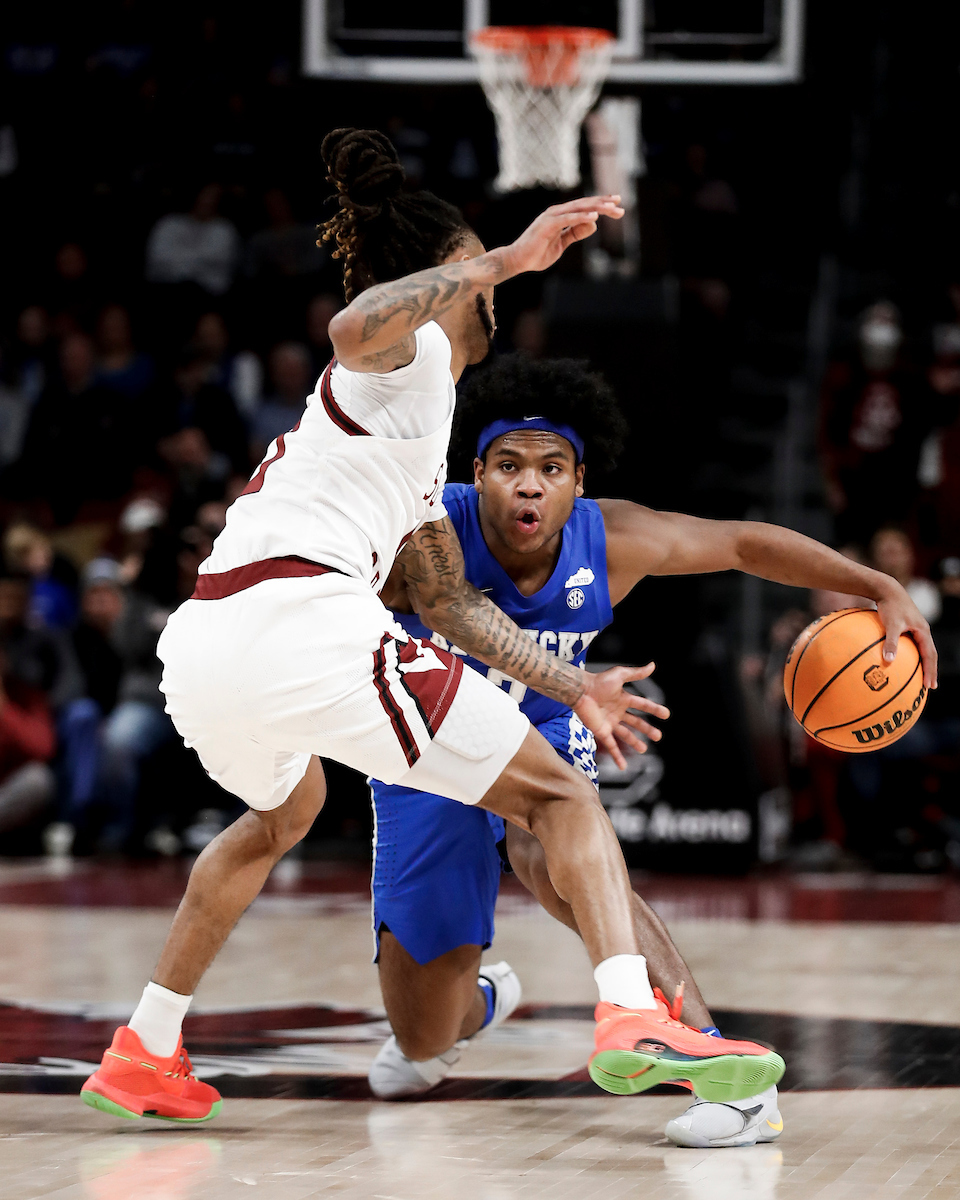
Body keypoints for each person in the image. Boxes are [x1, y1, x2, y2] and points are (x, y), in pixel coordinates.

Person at [81, 127, 784, 1125]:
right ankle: (632, 1017)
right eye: (479, 278)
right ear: (452, 277)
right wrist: (505, 255)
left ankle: (143, 1047)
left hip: (208, 644)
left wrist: (571, 682)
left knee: (278, 817)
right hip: (299, 616)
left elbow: (451, 604)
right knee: (561, 797)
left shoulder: (409, 434)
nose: (497, 296)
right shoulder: (399, 362)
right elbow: (353, 323)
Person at [365, 352, 938, 1146]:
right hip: (424, 750)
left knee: (556, 854)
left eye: (550, 467)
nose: (528, 484)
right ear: (476, 473)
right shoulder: (424, 534)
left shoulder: (611, 539)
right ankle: (479, 1003)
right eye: (508, 465)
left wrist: (875, 585)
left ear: (578, 481)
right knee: (418, 1048)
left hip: (540, 723)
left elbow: (742, 544)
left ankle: (717, 1071)